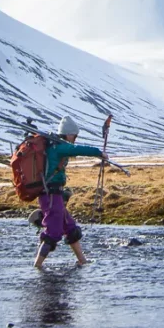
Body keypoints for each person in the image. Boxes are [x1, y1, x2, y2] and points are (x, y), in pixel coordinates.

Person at [30, 115, 105, 269]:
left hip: (53, 194)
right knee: (53, 232)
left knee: (70, 227)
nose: (75, 138)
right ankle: (37, 265)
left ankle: (82, 260)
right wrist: (98, 152)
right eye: (74, 135)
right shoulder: (60, 146)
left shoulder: (55, 146)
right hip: (50, 195)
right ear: (68, 134)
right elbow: (76, 149)